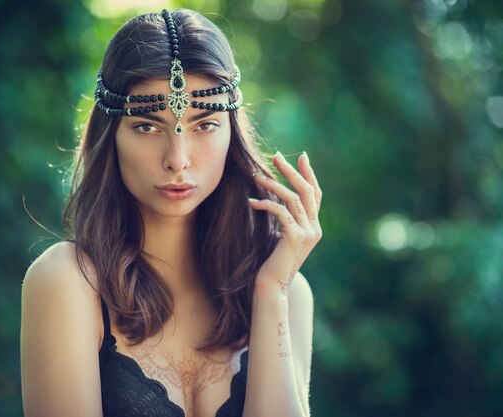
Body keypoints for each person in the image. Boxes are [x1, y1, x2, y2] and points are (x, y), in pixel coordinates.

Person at [20, 8, 322, 417]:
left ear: (232, 131)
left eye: (205, 125)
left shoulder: (288, 291)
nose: (177, 160)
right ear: (110, 137)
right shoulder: (68, 282)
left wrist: (271, 293)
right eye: (147, 126)